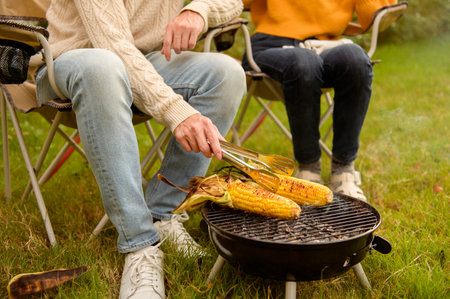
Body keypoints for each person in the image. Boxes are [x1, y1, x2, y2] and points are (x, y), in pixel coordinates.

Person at [35, 0, 245, 297]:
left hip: (147, 59)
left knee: (226, 73)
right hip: (74, 62)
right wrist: (176, 110)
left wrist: (199, 10)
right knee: (102, 65)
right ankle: (139, 243)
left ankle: (164, 214)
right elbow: (112, 46)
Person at [242, 0, 397, 201]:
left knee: (356, 60)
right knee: (304, 62)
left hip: (327, 44)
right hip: (270, 45)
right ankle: (308, 169)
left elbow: (374, 16)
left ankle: (344, 170)